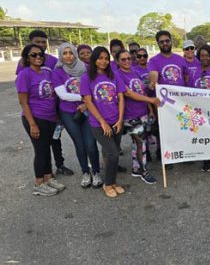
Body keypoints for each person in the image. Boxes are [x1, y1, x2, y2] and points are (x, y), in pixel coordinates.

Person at [16, 30, 72, 176]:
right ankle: (43, 177)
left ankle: (59, 165)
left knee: (55, 138)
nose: (41, 46)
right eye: (37, 42)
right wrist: (31, 121)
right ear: (30, 43)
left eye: (43, 42)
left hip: (53, 108)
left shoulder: (52, 61)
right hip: (37, 112)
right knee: (41, 147)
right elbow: (22, 91)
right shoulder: (24, 65)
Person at [53, 43, 102, 188]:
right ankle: (86, 172)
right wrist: (84, 99)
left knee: (90, 144)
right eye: (65, 53)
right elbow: (62, 95)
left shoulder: (86, 68)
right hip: (69, 113)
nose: (68, 56)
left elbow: (94, 88)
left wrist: (87, 104)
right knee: (79, 145)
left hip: (87, 111)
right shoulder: (57, 71)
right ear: (61, 55)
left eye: (71, 53)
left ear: (75, 53)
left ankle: (96, 171)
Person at [80, 46, 126, 198]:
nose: (104, 61)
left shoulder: (113, 75)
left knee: (112, 153)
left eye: (106, 58)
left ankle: (113, 182)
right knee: (113, 153)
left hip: (116, 121)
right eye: (100, 58)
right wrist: (102, 122)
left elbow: (120, 98)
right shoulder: (87, 77)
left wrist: (120, 120)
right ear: (94, 59)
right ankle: (108, 184)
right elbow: (88, 101)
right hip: (99, 124)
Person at [115, 50, 160, 184]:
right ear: (117, 61)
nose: (127, 61)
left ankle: (136, 168)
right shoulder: (117, 75)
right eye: (123, 59)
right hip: (130, 115)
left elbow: (141, 91)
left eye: (129, 58)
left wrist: (150, 108)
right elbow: (128, 93)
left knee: (139, 143)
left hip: (143, 112)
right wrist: (151, 100)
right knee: (141, 143)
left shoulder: (134, 72)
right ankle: (143, 171)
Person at [148, 30, 186, 169]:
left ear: (171, 41)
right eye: (162, 41)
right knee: (164, 130)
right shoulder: (154, 61)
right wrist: (153, 82)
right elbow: (153, 75)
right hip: (164, 103)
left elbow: (185, 78)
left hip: (180, 102)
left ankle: (182, 152)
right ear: (158, 43)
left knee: (181, 127)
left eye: (167, 41)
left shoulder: (180, 59)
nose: (165, 43)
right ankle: (165, 154)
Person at [189, 44, 210, 172]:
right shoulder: (194, 73)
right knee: (204, 136)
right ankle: (206, 160)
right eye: (202, 55)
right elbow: (190, 92)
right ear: (198, 57)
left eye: (208, 55)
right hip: (201, 112)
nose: (205, 58)